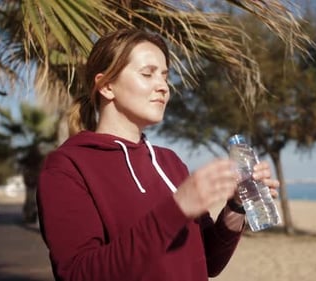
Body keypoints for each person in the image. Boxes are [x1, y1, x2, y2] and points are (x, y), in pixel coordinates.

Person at [37, 28, 279, 281]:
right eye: (147, 74)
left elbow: (208, 262)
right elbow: (78, 274)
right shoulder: (67, 166)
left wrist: (237, 206)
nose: (163, 87)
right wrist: (175, 210)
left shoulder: (170, 162)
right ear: (106, 86)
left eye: (165, 76)